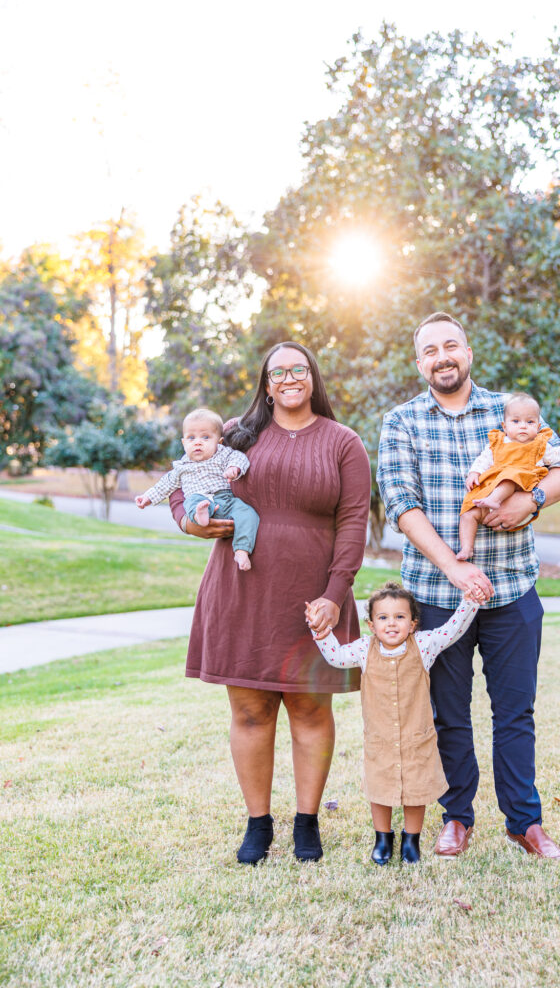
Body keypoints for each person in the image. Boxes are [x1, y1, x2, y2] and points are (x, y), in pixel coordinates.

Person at [377, 313, 560, 860]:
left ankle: (524, 822)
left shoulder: (511, 412)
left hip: (513, 589)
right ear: (419, 361)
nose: (442, 356)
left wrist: (531, 500)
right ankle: (457, 818)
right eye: (430, 350)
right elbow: (401, 504)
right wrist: (454, 568)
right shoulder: (401, 421)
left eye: (451, 345)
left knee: (515, 712)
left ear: (468, 351)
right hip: (436, 595)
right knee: (449, 713)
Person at [168, 343, 371, 865]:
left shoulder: (343, 443)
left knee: (309, 707)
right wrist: (191, 521)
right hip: (242, 592)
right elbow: (182, 482)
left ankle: (307, 822)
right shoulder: (237, 434)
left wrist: (335, 593)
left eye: (297, 369)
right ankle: (258, 824)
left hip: (312, 597)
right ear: (265, 382)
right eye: (277, 371)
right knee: (251, 709)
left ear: (312, 377)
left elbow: (353, 522)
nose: (287, 378)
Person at [309, 582, 478, 865]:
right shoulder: (364, 649)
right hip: (380, 740)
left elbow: (453, 630)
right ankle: (383, 838)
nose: (391, 624)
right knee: (380, 789)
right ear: (371, 625)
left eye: (400, 617)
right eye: (383, 617)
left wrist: (470, 603)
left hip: (417, 739)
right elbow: (336, 657)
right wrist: (320, 632)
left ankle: (411, 839)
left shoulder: (424, 645)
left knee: (417, 789)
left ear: (413, 624)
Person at [457, 392, 560, 560]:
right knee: (467, 513)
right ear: (505, 425)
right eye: (516, 422)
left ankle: (494, 500)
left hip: (522, 481)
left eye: (529, 422)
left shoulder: (539, 445)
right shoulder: (498, 442)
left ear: (538, 427)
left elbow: (559, 457)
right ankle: (467, 548)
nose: (523, 426)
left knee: (510, 476)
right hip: (494, 488)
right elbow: (484, 459)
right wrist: (474, 472)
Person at [135, 408, 259, 571]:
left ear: (219, 442)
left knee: (248, 513)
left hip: (225, 500)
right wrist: (147, 497)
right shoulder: (181, 467)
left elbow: (239, 458)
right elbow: (164, 485)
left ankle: (242, 550)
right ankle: (200, 515)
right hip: (199, 498)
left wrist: (234, 468)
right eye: (191, 438)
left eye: (206, 437)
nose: (198, 442)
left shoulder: (223, 455)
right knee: (193, 501)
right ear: (184, 442)